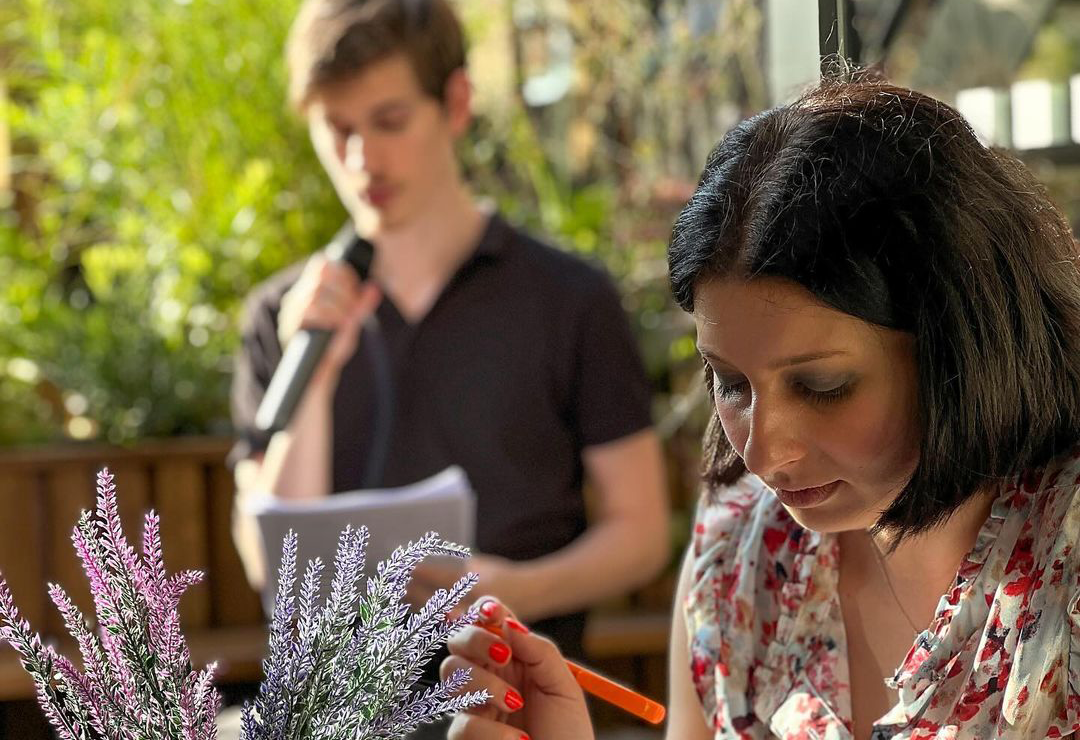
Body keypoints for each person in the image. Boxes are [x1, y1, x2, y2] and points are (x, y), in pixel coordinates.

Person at [443, 73, 1080, 740]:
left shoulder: (1062, 562)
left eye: (822, 387)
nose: (763, 452)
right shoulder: (737, 557)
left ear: (960, 347)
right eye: (730, 383)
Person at [228, 0, 669, 670]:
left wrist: (520, 589)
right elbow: (270, 567)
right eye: (337, 129)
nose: (361, 158)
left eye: (390, 121)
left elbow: (640, 532)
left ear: (456, 104)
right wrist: (313, 375)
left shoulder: (569, 298)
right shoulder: (282, 316)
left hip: (515, 697)